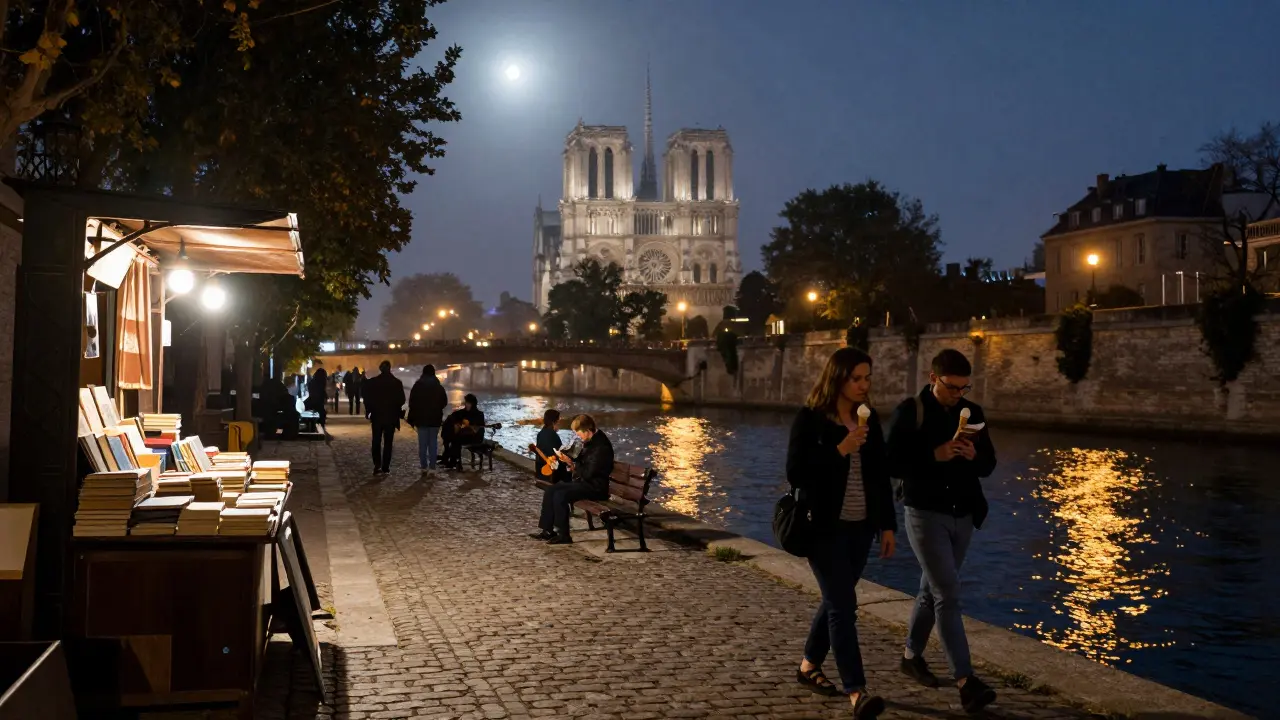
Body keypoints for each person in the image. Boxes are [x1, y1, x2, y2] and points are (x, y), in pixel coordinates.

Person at [785, 347, 896, 719]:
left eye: (868, 378)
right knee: (844, 607)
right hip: (822, 526)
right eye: (857, 378)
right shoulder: (811, 419)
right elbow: (796, 472)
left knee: (837, 599)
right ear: (838, 379)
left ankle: (808, 666)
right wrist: (840, 449)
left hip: (861, 526)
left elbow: (880, 477)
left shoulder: (871, 420)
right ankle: (857, 692)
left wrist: (887, 525)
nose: (865, 385)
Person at [886, 348, 998, 714]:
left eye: (964, 389)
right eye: (952, 388)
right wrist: (934, 455)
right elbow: (891, 461)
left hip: (962, 513)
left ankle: (911, 655)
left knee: (930, 589)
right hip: (924, 512)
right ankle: (965, 682)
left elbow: (989, 465)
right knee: (947, 592)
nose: (958, 395)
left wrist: (972, 456)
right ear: (934, 379)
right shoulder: (911, 411)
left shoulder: (974, 414)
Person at [531, 413, 614, 545]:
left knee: (561, 494)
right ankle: (547, 530)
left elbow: (588, 473)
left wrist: (572, 465)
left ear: (587, 431)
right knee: (552, 489)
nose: (577, 435)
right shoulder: (590, 441)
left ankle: (563, 534)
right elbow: (583, 463)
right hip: (586, 483)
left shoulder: (601, 447)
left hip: (596, 487)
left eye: (578, 432)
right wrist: (569, 460)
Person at [362, 360, 406, 475]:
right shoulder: (397, 383)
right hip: (391, 417)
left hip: (377, 416)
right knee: (388, 442)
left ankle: (377, 464)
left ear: (380, 369)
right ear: (390, 368)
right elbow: (402, 400)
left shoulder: (374, 382)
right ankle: (386, 466)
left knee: (376, 441)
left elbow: (368, 398)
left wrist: (368, 411)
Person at [406, 365, 448, 473]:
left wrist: (413, 416)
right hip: (435, 420)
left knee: (423, 444)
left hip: (421, 419)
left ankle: (424, 466)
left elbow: (412, 403)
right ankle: (432, 467)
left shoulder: (417, 386)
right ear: (434, 373)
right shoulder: (439, 387)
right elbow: (444, 402)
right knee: (433, 443)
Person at [441, 394, 484, 470]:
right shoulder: (463, 412)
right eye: (466, 403)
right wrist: (455, 423)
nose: (466, 404)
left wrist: (469, 423)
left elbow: (479, 429)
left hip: (475, 437)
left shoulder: (479, 414)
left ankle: (454, 461)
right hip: (464, 436)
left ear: (472, 404)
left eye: (468, 403)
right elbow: (452, 416)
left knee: (456, 439)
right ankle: (453, 461)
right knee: (452, 435)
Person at [532, 409, 572, 483]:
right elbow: (556, 456)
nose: (559, 424)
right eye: (559, 422)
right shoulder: (553, 435)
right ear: (554, 422)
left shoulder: (541, 433)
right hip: (550, 473)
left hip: (539, 471)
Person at [304, 363, 328, 430]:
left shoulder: (312, 382)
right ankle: (321, 429)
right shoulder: (322, 384)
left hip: (311, 402)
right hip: (317, 403)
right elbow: (321, 395)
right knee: (322, 414)